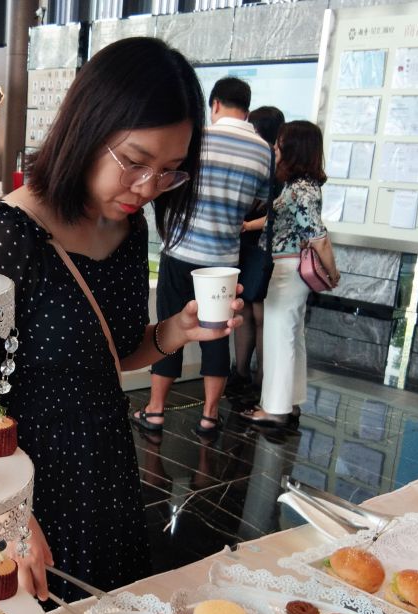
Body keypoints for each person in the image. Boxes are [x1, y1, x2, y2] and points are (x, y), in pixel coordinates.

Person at [0, 37, 243, 601]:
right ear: (88, 129)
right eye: (135, 162)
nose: (147, 188)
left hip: (106, 475)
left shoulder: (128, 227)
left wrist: (176, 331)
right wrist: (1, 509)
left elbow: (111, 354)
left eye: (169, 171)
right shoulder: (10, 238)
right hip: (22, 486)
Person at [131, 78, 270, 437]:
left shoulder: (200, 139)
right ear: (247, 109)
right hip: (224, 259)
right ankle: (209, 415)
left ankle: (156, 410)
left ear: (215, 104)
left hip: (182, 250)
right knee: (216, 333)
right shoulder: (262, 150)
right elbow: (257, 201)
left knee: (169, 327)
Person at [238, 120, 339, 428]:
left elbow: (318, 237)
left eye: (280, 143)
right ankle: (290, 403)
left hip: (288, 270)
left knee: (279, 338)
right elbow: (276, 218)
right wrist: (246, 225)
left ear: (293, 148)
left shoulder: (302, 190)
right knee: (291, 337)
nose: (275, 148)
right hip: (286, 269)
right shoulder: (299, 187)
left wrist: (333, 273)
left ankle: (274, 409)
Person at [227, 105, 286, 400]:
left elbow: (275, 213)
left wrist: (247, 224)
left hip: (257, 247)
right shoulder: (275, 166)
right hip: (259, 249)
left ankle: (250, 375)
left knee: (253, 312)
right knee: (253, 312)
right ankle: (251, 376)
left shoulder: (268, 167)